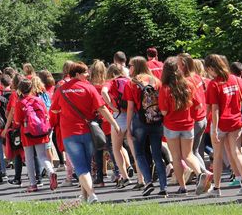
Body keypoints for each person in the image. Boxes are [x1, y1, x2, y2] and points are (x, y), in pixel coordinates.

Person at [51, 62, 119, 204]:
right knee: (86, 165)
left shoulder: (61, 90)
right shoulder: (89, 88)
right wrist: (114, 124)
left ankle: (92, 195)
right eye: (85, 72)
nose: (88, 75)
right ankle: (86, 196)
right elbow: (102, 108)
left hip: (69, 133)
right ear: (77, 74)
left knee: (81, 167)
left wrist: (64, 112)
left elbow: (54, 110)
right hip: (88, 131)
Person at [159, 57, 211, 195]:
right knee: (188, 154)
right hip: (188, 124)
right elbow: (199, 105)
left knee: (176, 157)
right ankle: (200, 173)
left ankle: (183, 187)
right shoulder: (188, 84)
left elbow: (163, 111)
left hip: (171, 126)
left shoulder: (165, 88)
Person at [204, 54, 242, 197]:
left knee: (218, 156)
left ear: (211, 68)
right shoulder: (235, 79)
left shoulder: (214, 84)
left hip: (220, 123)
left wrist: (214, 129)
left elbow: (215, 109)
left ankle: (217, 188)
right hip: (235, 120)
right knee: (237, 152)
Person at [124, 57, 167, 197]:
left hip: (139, 121)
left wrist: (128, 127)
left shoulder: (132, 83)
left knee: (139, 153)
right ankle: (163, 186)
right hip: (156, 120)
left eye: (129, 65)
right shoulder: (156, 81)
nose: (128, 68)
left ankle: (148, 182)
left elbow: (130, 108)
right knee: (157, 155)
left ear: (134, 67)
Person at [14, 78, 58, 192]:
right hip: (41, 132)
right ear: (32, 88)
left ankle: (33, 184)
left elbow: (17, 121)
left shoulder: (20, 103)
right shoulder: (38, 100)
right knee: (42, 156)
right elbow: (46, 115)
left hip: (27, 133)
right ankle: (51, 171)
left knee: (29, 159)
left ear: (20, 89)